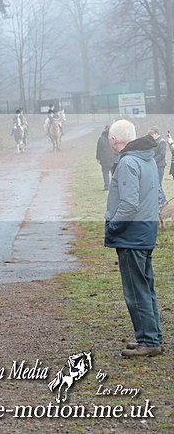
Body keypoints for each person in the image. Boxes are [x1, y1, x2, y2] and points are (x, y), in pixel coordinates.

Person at [104, 119, 163, 358]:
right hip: (145, 233)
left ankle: (148, 341)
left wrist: (113, 227)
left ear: (113, 140)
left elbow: (129, 203)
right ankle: (152, 337)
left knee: (136, 291)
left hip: (131, 236)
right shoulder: (146, 159)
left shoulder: (128, 162)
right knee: (146, 288)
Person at [148, 126, 167, 205]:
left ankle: (163, 200)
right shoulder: (153, 142)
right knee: (156, 183)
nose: (151, 136)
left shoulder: (161, 142)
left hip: (159, 166)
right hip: (154, 165)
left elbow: (162, 154)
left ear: (156, 133)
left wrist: (153, 161)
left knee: (158, 183)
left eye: (152, 134)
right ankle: (160, 200)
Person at [96, 124, 117, 191]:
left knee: (105, 172)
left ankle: (107, 186)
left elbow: (99, 149)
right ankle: (114, 186)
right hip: (114, 158)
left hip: (104, 159)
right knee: (114, 173)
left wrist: (98, 158)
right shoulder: (114, 138)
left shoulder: (101, 139)